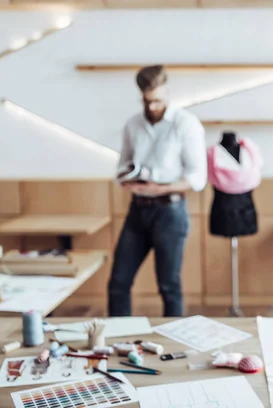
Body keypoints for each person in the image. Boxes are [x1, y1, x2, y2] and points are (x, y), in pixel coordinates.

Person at [108, 65, 207, 317]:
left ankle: (175, 349)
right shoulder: (133, 124)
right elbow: (122, 165)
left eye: (157, 101)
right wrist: (126, 178)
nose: (152, 107)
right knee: (118, 282)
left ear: (168, 92)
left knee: (168, 285)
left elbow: (198, 177)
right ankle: (119, 342)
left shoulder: (186, 124)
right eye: (147, 101)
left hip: (170, 212)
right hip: (137, 211)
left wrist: (160, 187)